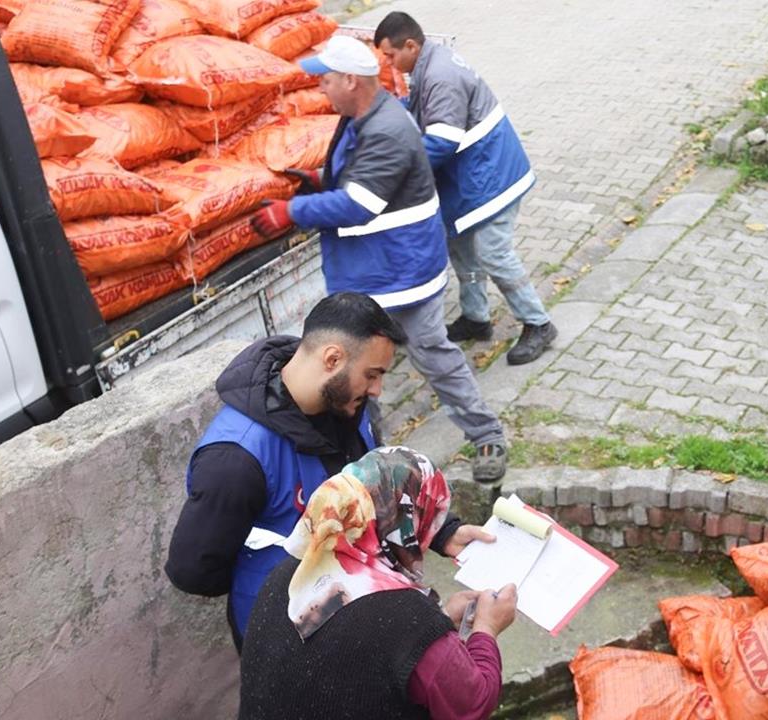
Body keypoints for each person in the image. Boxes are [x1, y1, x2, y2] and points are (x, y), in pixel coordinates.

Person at [165, 292, 494, 649]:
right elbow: (194, 570)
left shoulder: (346, 404)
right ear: (332, 358)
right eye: (372, 375)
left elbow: (377, 482)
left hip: (357, 614)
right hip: (289, 644)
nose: (378, 390)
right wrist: (273, 576)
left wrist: (442, 532)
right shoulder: (236, 460)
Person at [251, 35, 509, 483]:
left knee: (432, 355)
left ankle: (485, 435)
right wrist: (319, 176)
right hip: (375, 270)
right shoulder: (360, 115)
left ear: (351, 80)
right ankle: (373, 460)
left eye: (326, 80)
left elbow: (360, 203)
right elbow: (361, 172)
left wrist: (289, 211)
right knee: (358, 373)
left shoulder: (386, 127)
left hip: (402, 273)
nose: (321, 88)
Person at [239, 446, 516, 720]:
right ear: (409, 522)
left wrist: (439, 621)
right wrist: (486, 628)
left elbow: (355, 650)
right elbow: (472, 703)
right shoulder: (408, 618)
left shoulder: (290, 572)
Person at [374, 12, 559, 366]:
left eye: (390, 55)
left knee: (494, 253)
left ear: (410, 45)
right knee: (459, 245)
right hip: (475, 176)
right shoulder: (427, 65)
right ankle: (476, 317)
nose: (387, 63)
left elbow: (441, 142)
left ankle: (538, 323)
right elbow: (417, 112)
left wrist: (398, 173)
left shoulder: (440, 76)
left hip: (493, 178)